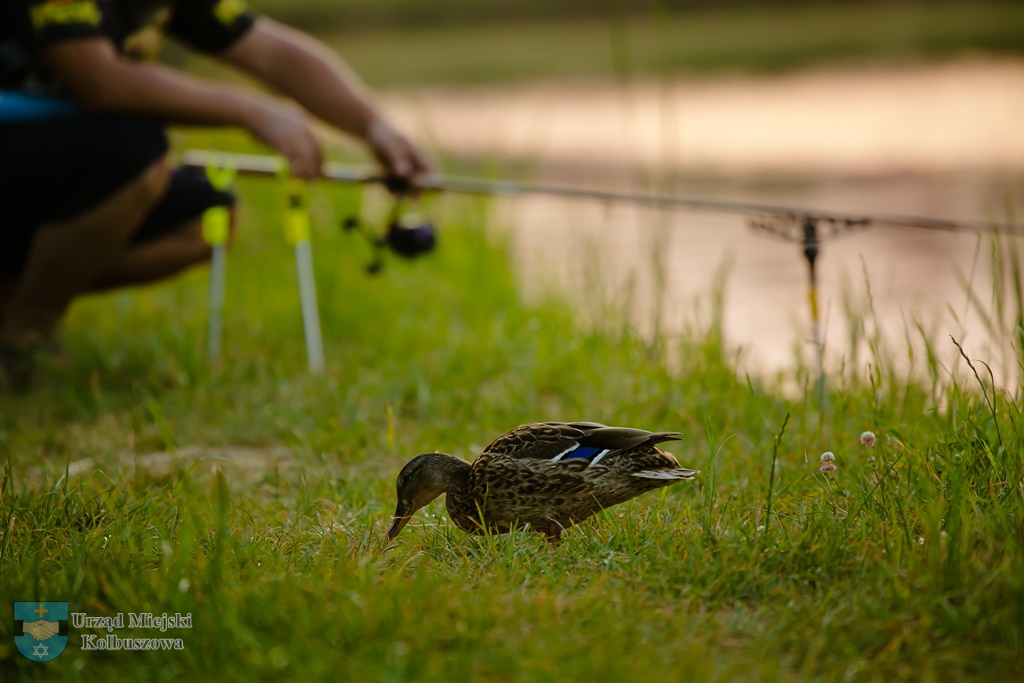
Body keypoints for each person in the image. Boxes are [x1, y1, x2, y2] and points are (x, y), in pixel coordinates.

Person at [0, 0, 432, 389]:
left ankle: (15, 296)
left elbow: (271, 51)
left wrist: (374, 126)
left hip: (40, 166)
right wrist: (252, 110)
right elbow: (99, 82)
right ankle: (26, 334)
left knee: (206, 221)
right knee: (133, 152)